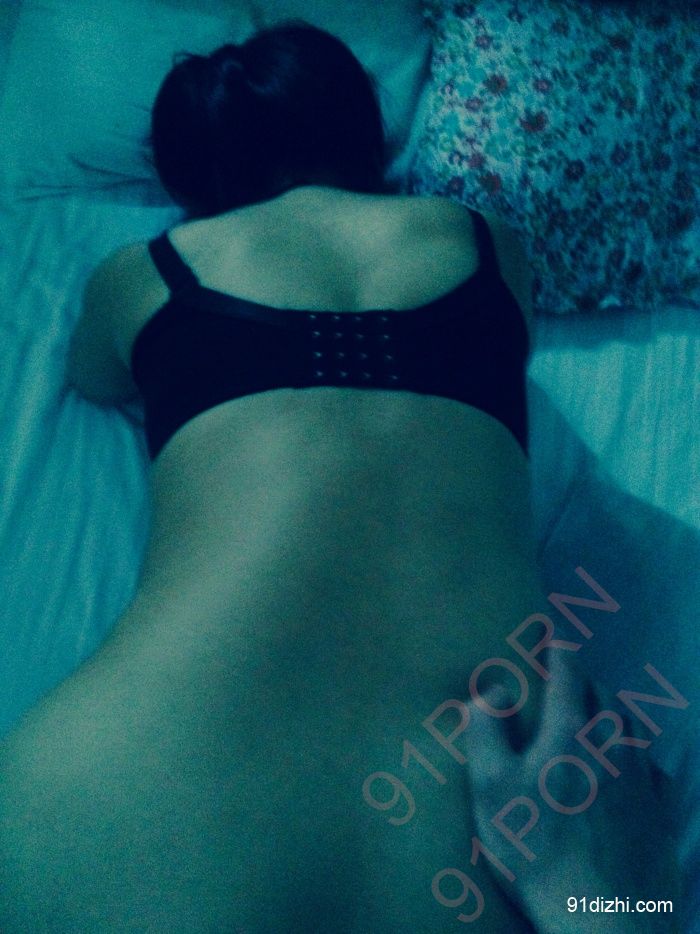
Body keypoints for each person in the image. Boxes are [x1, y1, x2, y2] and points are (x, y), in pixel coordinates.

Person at [0, 20, 571, 932]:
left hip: (153, 764)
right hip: (496, 790)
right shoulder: (485, 243)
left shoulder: (149, 273)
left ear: (192, 176)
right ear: (358, 130)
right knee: (632, 898)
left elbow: (93, 376)